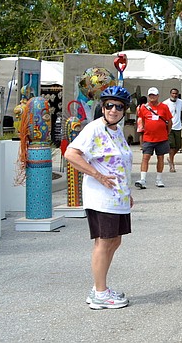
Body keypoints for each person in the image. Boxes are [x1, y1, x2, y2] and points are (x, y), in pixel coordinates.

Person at [64, 85, 133, 310]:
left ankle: (99, 287)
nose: (113, 110)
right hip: (102, 198)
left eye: (119, 106)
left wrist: (127, 191)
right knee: (104, 242)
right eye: (109, 105)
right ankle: (100, 293)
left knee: (115, 240)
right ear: (102, 107)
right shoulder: (94, 129)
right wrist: (97, 175)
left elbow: (119, 163)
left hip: (118, 198)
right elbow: (71, 154)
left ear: (124, 110)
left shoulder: (117, 130)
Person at [134, 87, 172, 189]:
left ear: (158, 96)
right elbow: (142, 120)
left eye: (154, 95)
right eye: (150, 95)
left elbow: (169, 121)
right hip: (148, 137)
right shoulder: (144, 108)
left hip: (162, 138)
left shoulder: (164, 107)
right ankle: (142, 179)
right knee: (145, 157)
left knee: (160, 157)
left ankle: (159, 179)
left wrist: (167, 132)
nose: (152, 97)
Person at [165, 88, 182, 173]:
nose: (174, 95)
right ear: (170, 94)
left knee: (178, 146)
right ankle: (172, 165)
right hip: (170, 127)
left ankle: (170, 158)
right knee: (172, 147)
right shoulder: (166, 103)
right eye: (173, 93)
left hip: (178, 126)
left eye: (176, 94)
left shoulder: (180, 102)